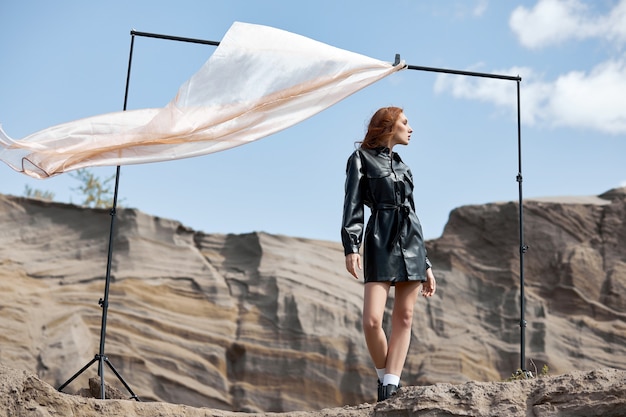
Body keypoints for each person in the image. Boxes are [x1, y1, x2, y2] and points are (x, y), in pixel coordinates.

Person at [341, 106, 436, 402]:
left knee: (404, 317)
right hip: (380, 238)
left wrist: (427, 264)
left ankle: (390, 388)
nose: (410, 128)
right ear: (388, 126)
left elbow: (414, 214)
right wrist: (351, 246)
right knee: (371, 320)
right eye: (405, 123)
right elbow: (353, 204)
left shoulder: (405, 168)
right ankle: (384, 378)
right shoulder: (360, 159)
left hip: (412, 241)